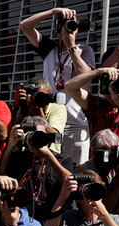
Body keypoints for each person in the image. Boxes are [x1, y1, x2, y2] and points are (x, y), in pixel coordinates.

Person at [20, 7, 95, 165]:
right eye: (67, 27)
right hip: (51, 120)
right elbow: (25, 26)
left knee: (78, 171)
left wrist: (71, 47)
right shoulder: (50, 48)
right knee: (52, 169)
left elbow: (84, 76)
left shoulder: (84, 50)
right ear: (57, 30)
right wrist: (53, 11)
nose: (71, 31)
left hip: (76, 123)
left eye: (73, 27)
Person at [66, 67, 119, 140]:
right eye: (108, 86)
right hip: (98, 157)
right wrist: (98, 71)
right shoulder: (96, 105)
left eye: (117, 85)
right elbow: (69, 86)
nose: (111, 91)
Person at [11, 77, 67, 141]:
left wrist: (38, 112)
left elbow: (54, 136)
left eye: (40, 95)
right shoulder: (24, 106)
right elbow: (11, 131)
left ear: (49, 92)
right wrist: (16, 106)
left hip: (48, 150)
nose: (38, 98)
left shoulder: (57, 107)